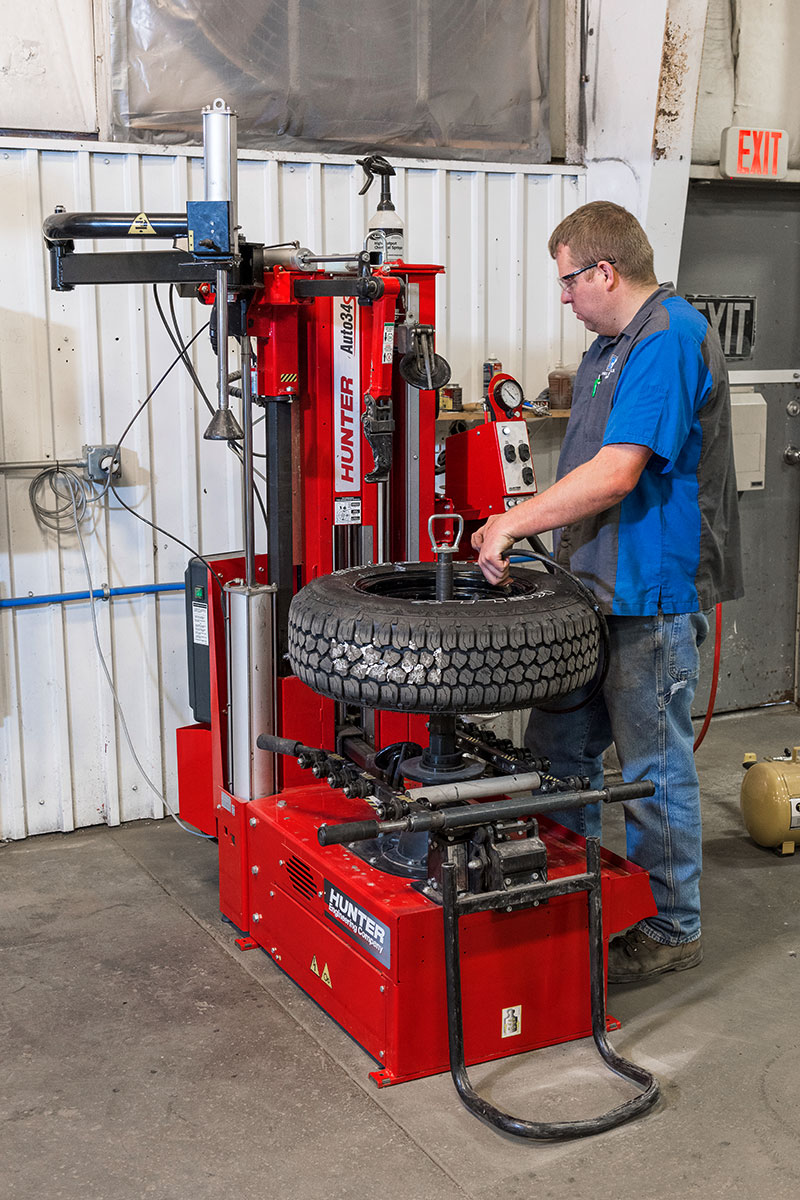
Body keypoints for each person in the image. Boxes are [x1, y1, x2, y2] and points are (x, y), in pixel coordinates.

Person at [472, 201, 743, 983]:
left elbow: (620, 472)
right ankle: (568, 898)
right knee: (561, 750)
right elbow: (588, 468)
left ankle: (671, 926)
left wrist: (512, 523)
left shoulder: (667, 338)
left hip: (649, 595)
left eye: (567, 281)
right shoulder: (606, 350)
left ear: (603, 270)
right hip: (592, 588)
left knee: (653, 766)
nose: (564, 297)